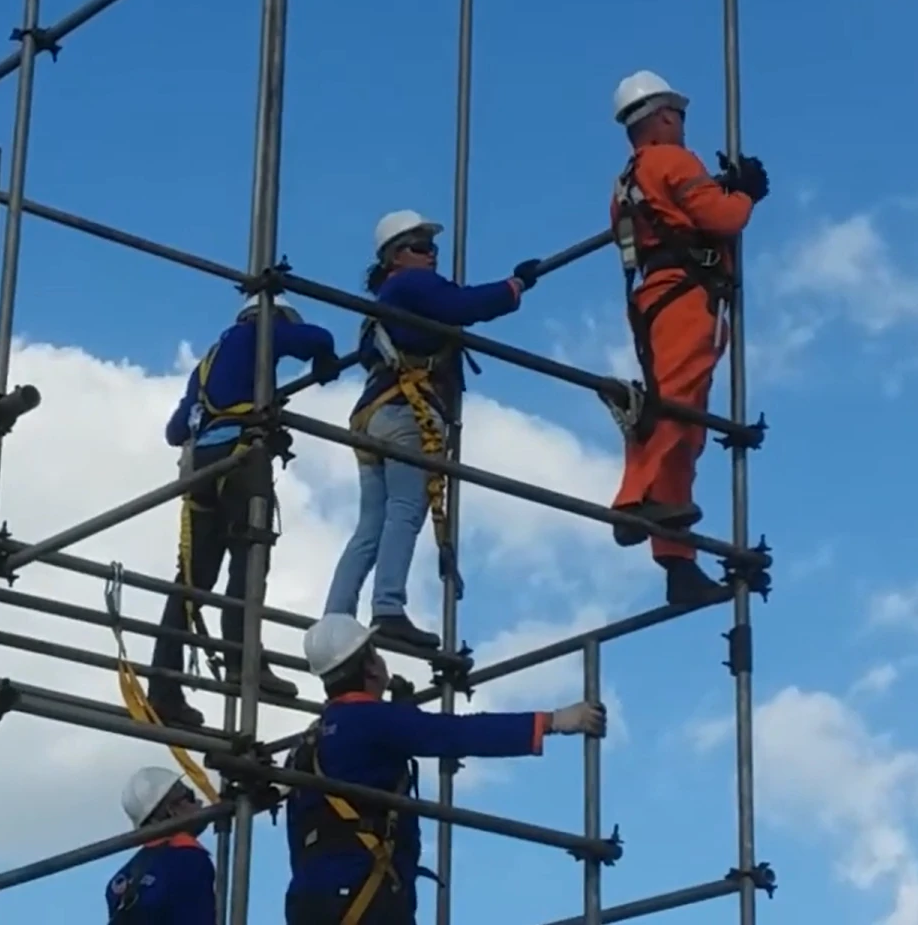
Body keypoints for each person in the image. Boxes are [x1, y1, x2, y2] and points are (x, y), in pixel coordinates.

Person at [283, 614, 607, 925]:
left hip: (307, 898)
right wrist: (551, 721)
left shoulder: (305, 743)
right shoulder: (373, 719)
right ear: (370, 666)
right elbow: (455, 734)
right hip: (362, 890)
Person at [324, 209, 539, 650]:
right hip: (406, 412)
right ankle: (387, 607)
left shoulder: (384, 300)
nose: (432, 256)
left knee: (371, 524)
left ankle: (335, 619)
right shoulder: (411, 285)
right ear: (395, 257)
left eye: (432, 247)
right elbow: (463, 306)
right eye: (421, 248)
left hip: (373, 415)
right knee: (404, 511)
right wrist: (514, 286)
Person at [602, 70, 768, 605]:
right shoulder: (672, 161)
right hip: (684, 296)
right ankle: (639, 499)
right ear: (665, 116)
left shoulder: (626, 180)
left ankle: (677, 562)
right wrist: (743, 194)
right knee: (677, 406)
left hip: (655, 295)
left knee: (684, 422)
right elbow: (719, 218)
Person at [152, 294, 343, 726]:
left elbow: (175, 430)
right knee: (248, 561)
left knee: (192, 581)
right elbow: (317, 337)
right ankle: (243, 661)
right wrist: (325, 358)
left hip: (201, 467)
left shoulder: (207, 364)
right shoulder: (258, 333)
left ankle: (163, 687)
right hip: (241, 459)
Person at [106, 766, 215, 925]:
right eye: (190, 796)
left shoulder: (119, 879)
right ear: (172, 810)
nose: (200, 802)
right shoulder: (189, 861)